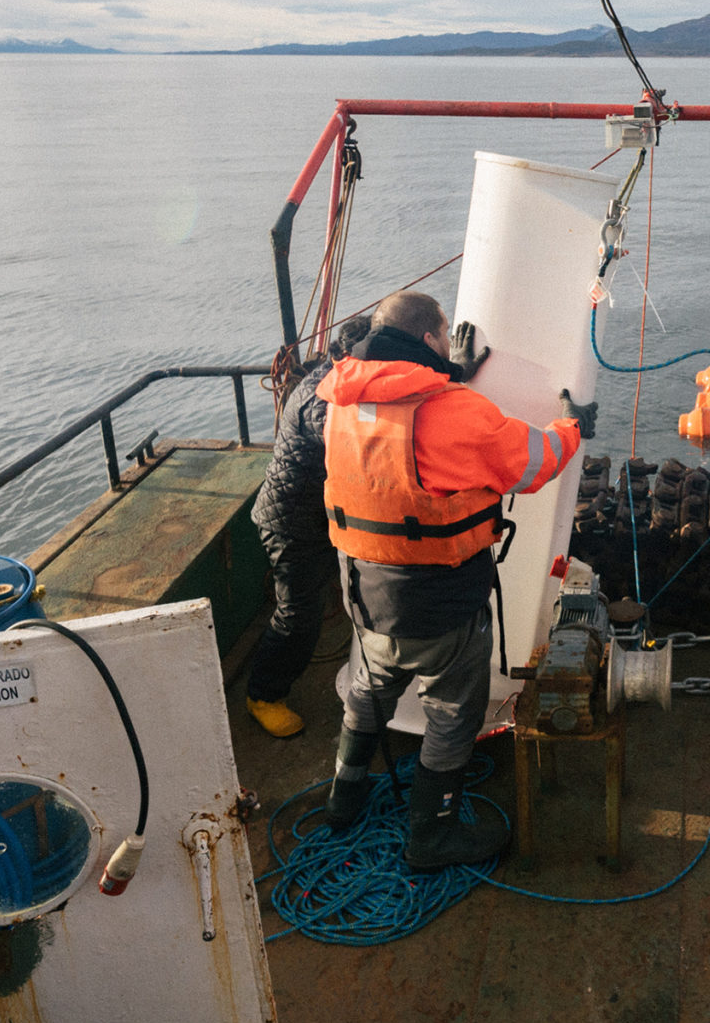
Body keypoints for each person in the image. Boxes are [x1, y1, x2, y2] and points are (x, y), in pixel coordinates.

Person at [316, 289, 593, 868]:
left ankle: (343, 797)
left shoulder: (342, 397)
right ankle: (431, 836)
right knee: (450, 713)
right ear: (429, 339)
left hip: (364, 590)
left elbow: (397, 439)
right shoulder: (454, 412)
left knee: (371, 687)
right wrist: (573, 425)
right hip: (438, 601)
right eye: (443, 336)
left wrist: (449, 374)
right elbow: (535, 462)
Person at [243, 313, 375, 738]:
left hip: (320, 519)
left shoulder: (344, 381)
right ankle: (263, 695)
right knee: (297, 616)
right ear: (348, 357)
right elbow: (356, 439)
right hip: (291, 524)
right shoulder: (319, 397)